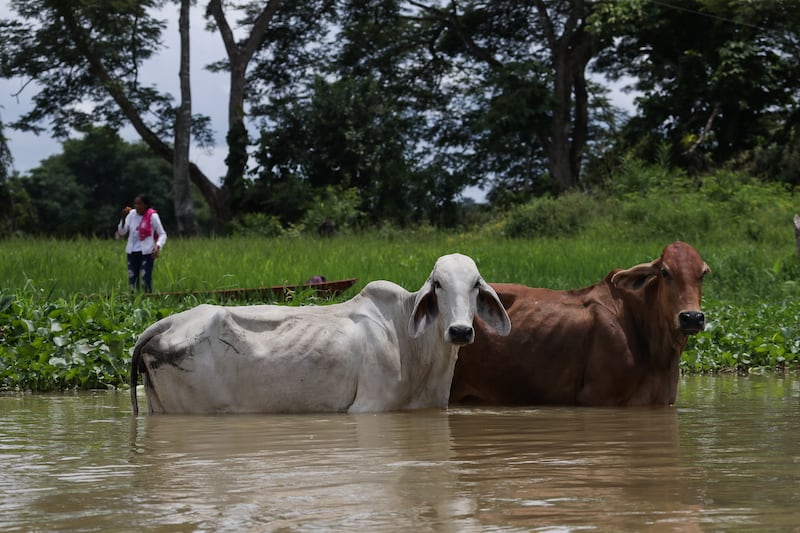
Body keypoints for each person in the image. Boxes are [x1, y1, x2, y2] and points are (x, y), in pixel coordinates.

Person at [115, 193, 167, 293]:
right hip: (132, 251)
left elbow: (162, 234)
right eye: (135, 204)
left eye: (139, 204)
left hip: (146, 252)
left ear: (146, 205)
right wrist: (123, 219)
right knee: (132, 280)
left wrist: (158, 246)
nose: (136, 206)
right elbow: (122, 232)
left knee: (145, 279)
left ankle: (148, 299)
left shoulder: (152, 216)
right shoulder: (131, 214)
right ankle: (133, 301)